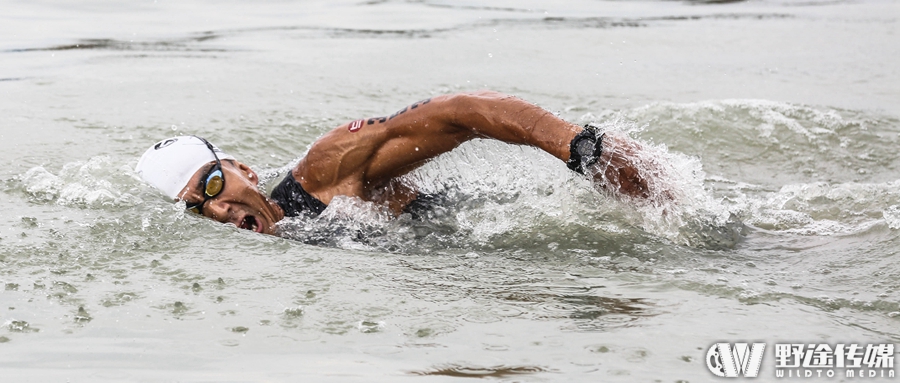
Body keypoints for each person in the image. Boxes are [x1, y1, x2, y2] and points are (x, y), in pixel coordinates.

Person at [135, 91, 656, 235]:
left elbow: (457, 114)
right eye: (196, 206)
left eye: (212, 182)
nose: (218, 207)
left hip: (497, 224)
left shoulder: (321, 175)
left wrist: (577, 146)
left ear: (243, 169)